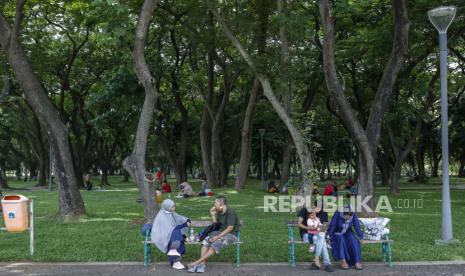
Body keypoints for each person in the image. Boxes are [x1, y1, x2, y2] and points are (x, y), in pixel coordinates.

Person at [188, 196, 240, 273]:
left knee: (215, 244)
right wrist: (212, 214)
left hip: (231, 235)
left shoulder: (230, 212)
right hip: (219, 233)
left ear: (220, 203)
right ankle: (202, 264)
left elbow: (230, 228)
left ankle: (196, 263)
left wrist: (217, 237)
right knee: (205, 241)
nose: (214, 204)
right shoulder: (219, 212)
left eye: (215, 202)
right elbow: (216, 225)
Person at [151, 199, 191, 270]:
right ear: (167, 207)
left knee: (176, 233)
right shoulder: (162, 216)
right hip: (162, 235)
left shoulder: (171, 213)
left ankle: (174, 260)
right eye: (172, 207)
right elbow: (170, 229)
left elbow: (179, 218)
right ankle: (175, 260)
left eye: (174, 206)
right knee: (176, 232)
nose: (174, 208)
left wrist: (187, 220)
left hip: (170, 233)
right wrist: (184, 225)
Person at [328, 205, 364, 270]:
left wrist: (361, 237)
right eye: (346, 215)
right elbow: (333, 225)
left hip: (348, 232)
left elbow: (356, 225)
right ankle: (343, 260)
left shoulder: (353, 213)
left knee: (353, 240)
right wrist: (330, 237)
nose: (347, 217)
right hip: (337, 232)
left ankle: (357, 261)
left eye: (349, 216)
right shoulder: (338, 213)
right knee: (340, 239)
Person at [298, 206, 334, 272]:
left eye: (320, 207)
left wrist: (321, 228)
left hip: (318, 234)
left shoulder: (324, 213)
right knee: (321, 241)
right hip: (307, 234)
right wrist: (310, 228)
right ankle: (327, 264)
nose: (318, 209)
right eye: (316, 207)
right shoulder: (305, 210)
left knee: (321, 236)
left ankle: (316, 260)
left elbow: (324, 227)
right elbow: (299, 224)